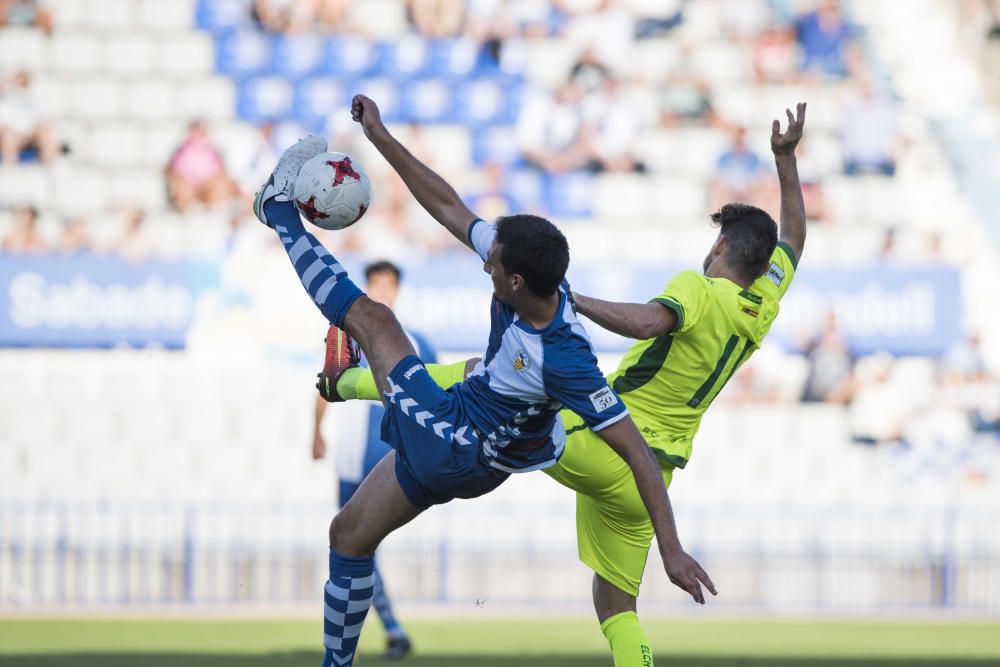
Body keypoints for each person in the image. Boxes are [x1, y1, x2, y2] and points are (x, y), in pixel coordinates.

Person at [324, 103, 809, 666]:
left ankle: (350, 381)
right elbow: (794, 234)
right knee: (615, 605)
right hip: (653, 478)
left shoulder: (702, 289)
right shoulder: (765, 299)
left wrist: (569, 301)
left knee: (495, 384)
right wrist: (785, 161)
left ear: (721, 247)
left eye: (717, 239)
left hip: (601, 440)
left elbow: (651, 321)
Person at [252, 95, 712, 667]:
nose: (485, 265)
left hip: (458, 445)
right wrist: (381, 137)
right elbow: (448, 205)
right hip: (469, 438)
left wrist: (671, 552)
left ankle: (278, 214)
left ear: (516, 279)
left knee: (376, 321)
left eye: (493, 265)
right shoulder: (534, 278)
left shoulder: (566, 358)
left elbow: (639, 454)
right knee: (347, 535)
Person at [311, 260, 436, 661]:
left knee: (357, 544)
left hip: (389, 452)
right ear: (367, 287)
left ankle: (381, 633)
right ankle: (391, 630)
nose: (382, 291)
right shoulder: (349, 337)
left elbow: (431, 392)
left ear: (397, 290)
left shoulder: (414, 340)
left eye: (389, 284)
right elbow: (325, 383)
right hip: (350, 456)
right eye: (375, 284)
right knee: (352, 543)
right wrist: (316, 431)